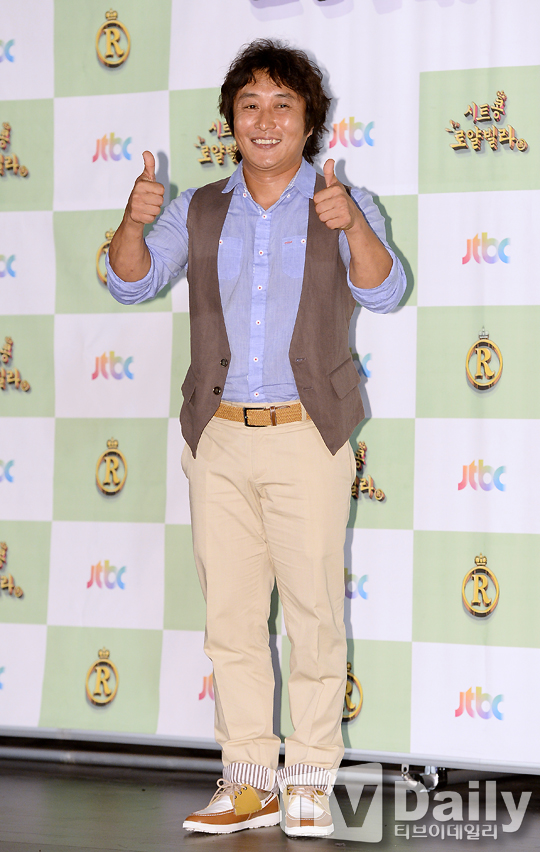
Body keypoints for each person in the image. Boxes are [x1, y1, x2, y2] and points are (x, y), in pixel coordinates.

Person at [107, 38, 406, 838]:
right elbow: (131, 281)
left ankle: (307, 781)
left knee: (314, 617)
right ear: (230, 120)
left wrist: (353, 227)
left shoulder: (342, 200)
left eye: (282, 104)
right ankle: (247, 783)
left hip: (308, 434)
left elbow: (385, 292)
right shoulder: (200, 208)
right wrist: (132, 223)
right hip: (219, 437)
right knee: (232, 622)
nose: (265, 119)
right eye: (250, 105)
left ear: (309, 121)